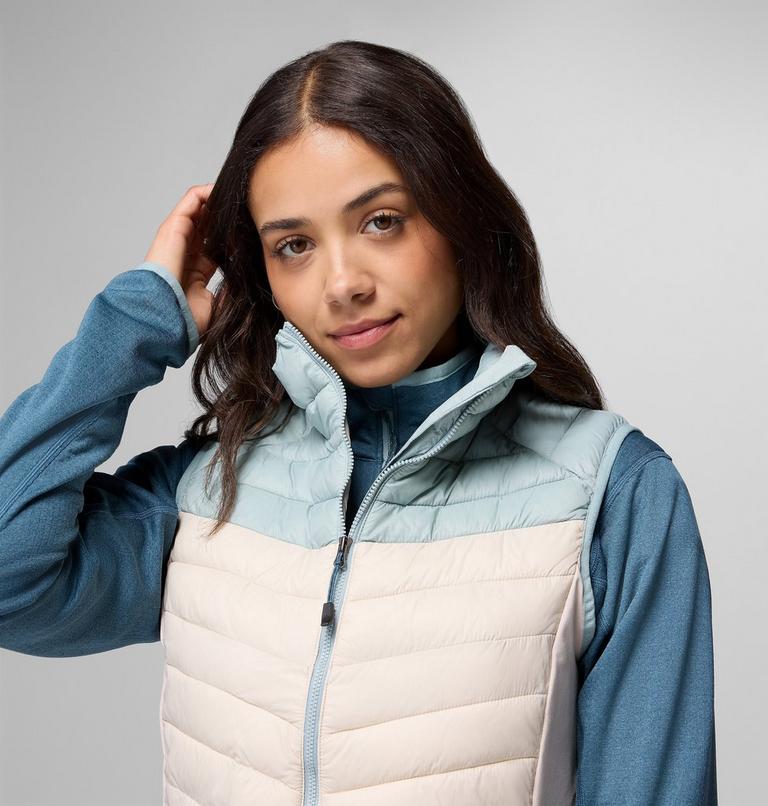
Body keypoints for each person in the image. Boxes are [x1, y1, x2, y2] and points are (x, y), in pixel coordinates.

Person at [0, 39, 716, 806]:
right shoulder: (211, 485)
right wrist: (139, 319)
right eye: (294, 246)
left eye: (380, 221)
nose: (342, 284)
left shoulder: (613, 494)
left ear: (460, 218)